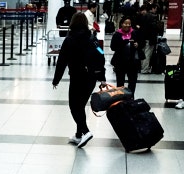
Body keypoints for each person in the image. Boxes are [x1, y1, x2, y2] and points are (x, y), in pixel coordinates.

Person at [52, 12, 107, 148]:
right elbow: (100, 56)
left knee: (73, 106)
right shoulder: (92, 38)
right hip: (91, 78)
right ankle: (78, 135)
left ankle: (85, 131)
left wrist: (56, 80)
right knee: (80, 106)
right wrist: (102, 77)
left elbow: (61, 62)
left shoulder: (69, 40)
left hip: (77, 77)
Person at [110, 16, 144, 93]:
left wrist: (137, 45)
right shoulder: (117, 34)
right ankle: (120, 98)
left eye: (129, 24)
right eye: (125, 23)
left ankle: (130, 98)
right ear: (121, 24)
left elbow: (142, 43)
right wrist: (123, 44)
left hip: (132, 62)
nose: (127, 25)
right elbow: (113, 47)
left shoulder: (134, 33)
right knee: (120, 82)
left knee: (132, 82)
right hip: (120, 62)